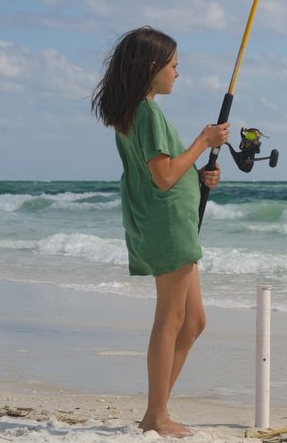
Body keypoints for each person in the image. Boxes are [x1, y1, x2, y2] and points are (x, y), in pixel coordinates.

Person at [91, 26, 230, 438]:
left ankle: (157, 411)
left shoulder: (134, 111)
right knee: (170, 321)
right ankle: (157, 415)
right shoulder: (147, 112)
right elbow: (165, 175)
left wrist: (200, 177)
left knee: (194, 322)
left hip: (169, 221)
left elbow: (168, 172)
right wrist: (204, 141)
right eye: (173, 66)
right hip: (167, 225)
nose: (177, 74)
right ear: (152, 68)